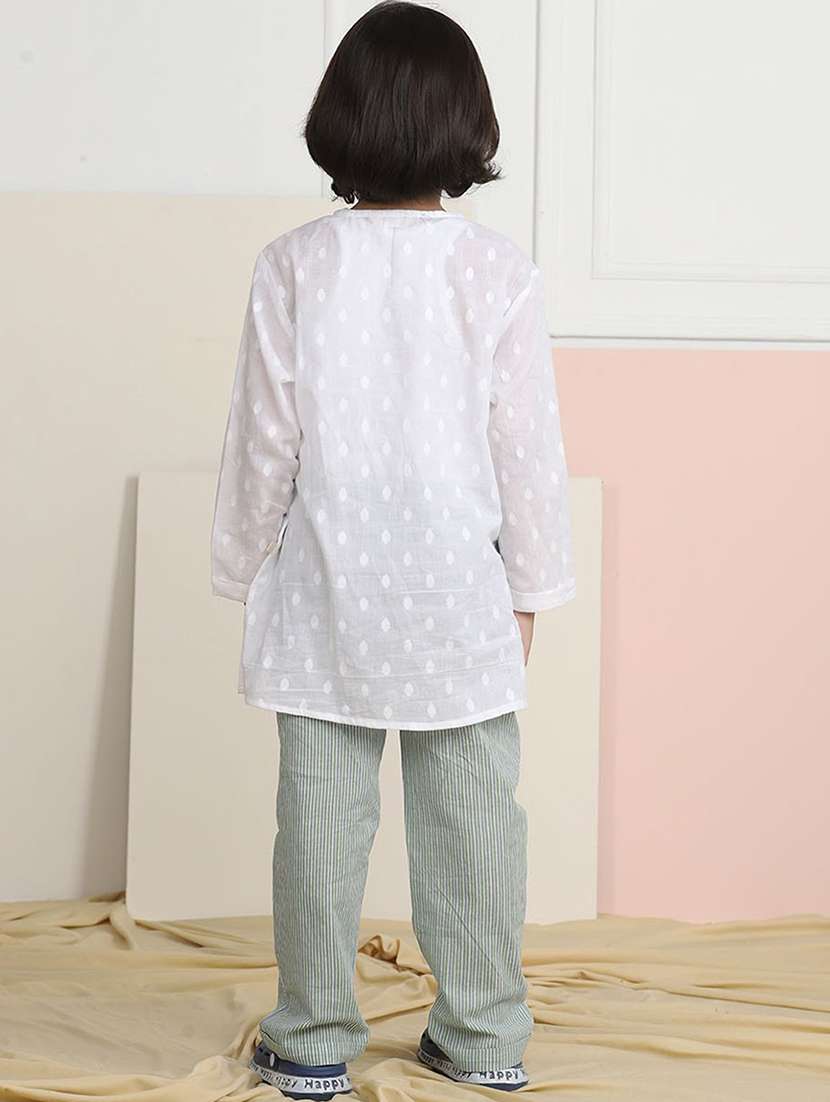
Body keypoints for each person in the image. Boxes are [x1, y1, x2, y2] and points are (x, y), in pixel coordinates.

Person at [210, 2, 575, 1097]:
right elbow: (527, 451)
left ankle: (313, 1036)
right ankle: (484, 1038)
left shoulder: (293, 265)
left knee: (319, 827)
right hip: (459, 595)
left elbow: (263, 436)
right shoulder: (496, 270)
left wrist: (242, 564)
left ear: (342, 120)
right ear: (468, 124)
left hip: (326, 585)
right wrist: (530, 588)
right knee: (474, 828)